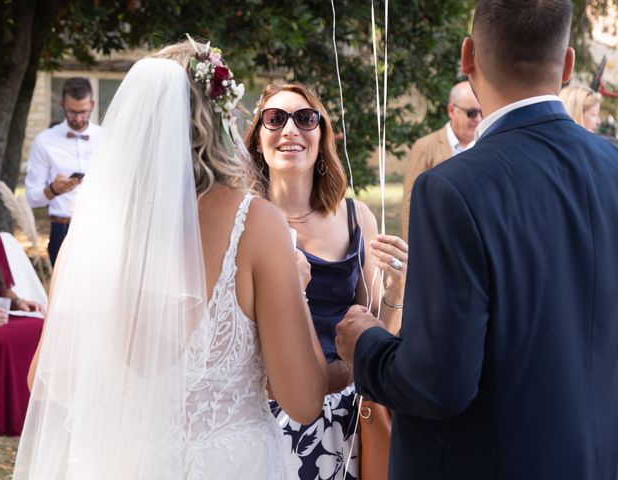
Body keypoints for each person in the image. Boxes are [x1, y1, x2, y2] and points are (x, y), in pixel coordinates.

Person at [14, 40, 327, 479]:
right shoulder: (255, 225)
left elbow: (45, 381)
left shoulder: (87, 236)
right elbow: (304, 400)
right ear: (216, 121)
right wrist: (297, 290)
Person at [336, 0, 618, 479]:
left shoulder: (452, 189)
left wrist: (365, 344)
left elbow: (438, 383)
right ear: (568, 65)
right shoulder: (612, 166)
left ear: (468, 58)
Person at [244, 84, 408, 479]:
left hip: (343, 415)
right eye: (275, 118)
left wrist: (395, 291)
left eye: (305, 118)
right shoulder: (242, 224)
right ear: (258, 140)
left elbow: (376, 335)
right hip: (261, 412)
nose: (290, 130)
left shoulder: (356, 218)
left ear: (321, 136)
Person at [0, 189, 44, 435]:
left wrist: (20, 303)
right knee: (2, 339)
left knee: (37, 327)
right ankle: (6, 418)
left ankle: (31, 413)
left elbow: (3, 287)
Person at [25, 77, 104, 266]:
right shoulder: (44, 141)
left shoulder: (106, 137)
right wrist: (53, 189)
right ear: (62, 105)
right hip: (62, 229)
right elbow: (32, 197)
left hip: (100, 228)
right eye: (72, 112)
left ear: (92, 104)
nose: (78, 119)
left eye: (84, 112)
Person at [401, 81, 481, 241]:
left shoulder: (485, 144)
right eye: (471, 113)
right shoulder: (425, 146)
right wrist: (414, 248)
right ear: (452, 111)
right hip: (438, 239)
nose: (478, 119)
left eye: (482, 112)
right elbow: (411, 202)